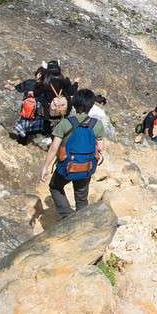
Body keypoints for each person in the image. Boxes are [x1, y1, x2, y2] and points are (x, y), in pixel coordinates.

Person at [40, 89, 108, 218]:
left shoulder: (65, 123)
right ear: (91, 105)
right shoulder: (97, 124)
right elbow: (100, 147)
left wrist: (45, 167)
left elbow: (54, 148)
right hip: (87, 167)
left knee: (55, 187)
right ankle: (82, 221)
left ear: (74, 104)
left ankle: (67, 216)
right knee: (82, 198)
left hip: (66, 167)